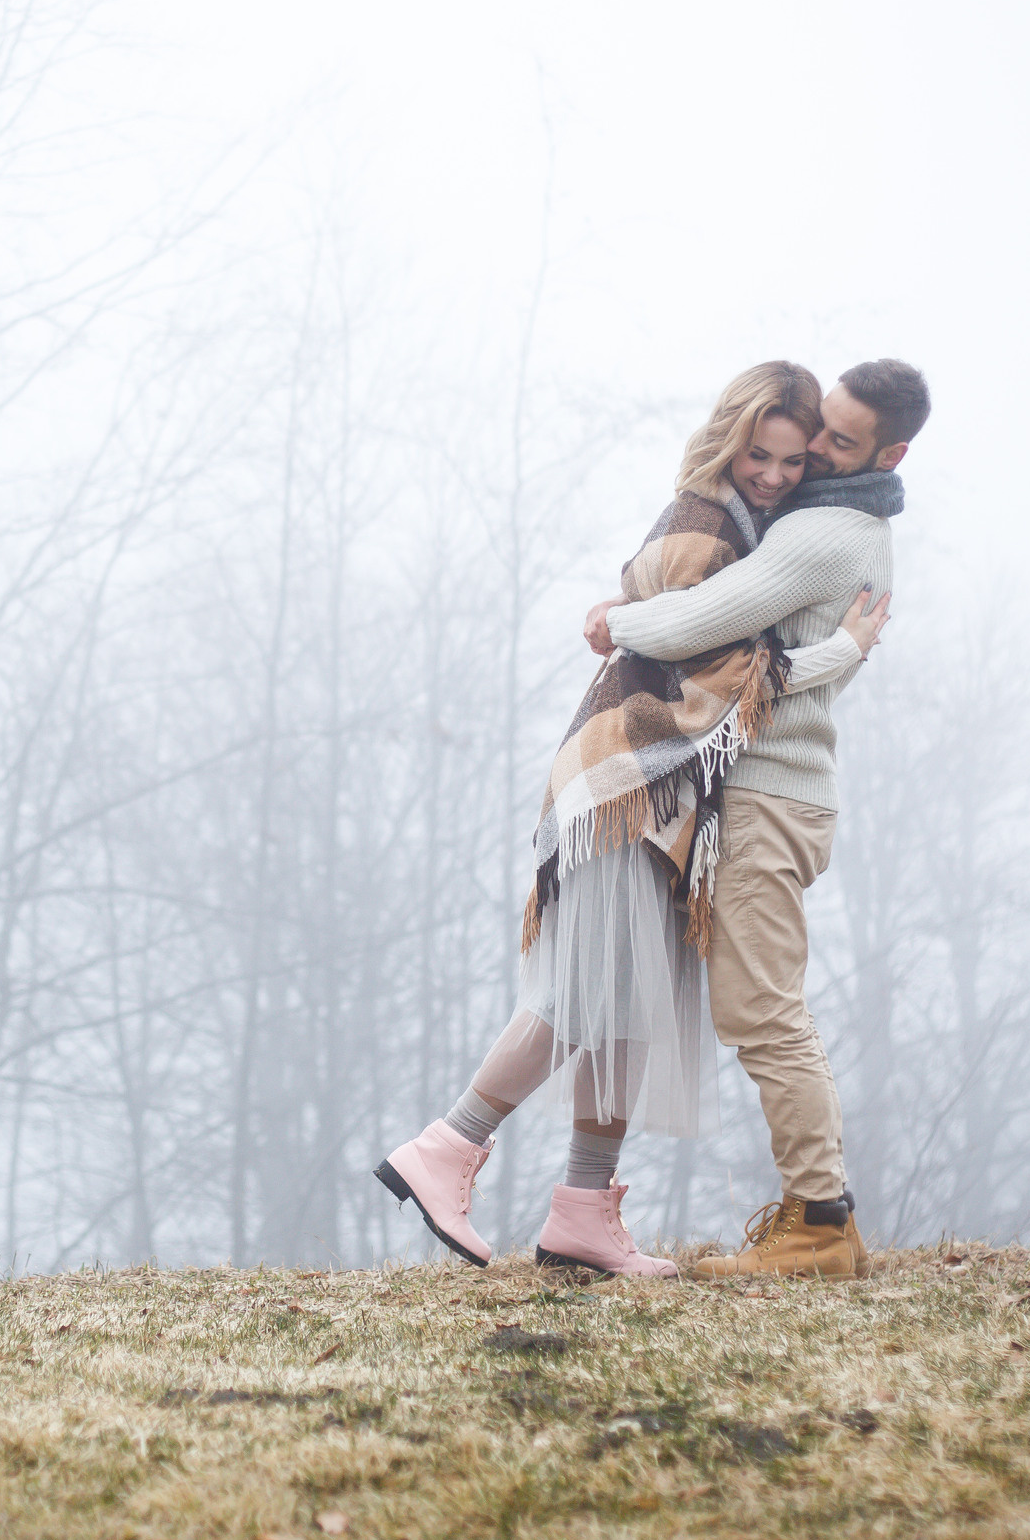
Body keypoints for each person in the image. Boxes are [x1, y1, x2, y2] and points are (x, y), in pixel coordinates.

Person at [374, 361, 891, 1277]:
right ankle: (447, 1148)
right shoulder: (704, 524)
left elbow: (693, 639)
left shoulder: (756, 528)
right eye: (757, 454)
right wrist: (839, 652)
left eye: (791, 459)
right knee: (584, 994)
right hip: (629, 778)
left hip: (665, 789)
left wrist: (632, 613)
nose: (774, 473)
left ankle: (581, 1209)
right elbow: (722, 666)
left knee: (625, 1003)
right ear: (728, 440)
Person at [588, 357, 926, 1281]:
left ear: (888, 452)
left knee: (764, 1012)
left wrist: (617, 617)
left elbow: (697, 622)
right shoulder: (849, 523)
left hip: (773, 797)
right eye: (822, 426)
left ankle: (817, 1222)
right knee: (769, 1008)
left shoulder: (822, 534)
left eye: (839, 440)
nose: (814, 449)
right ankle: (827, 1221)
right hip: (788, 791)